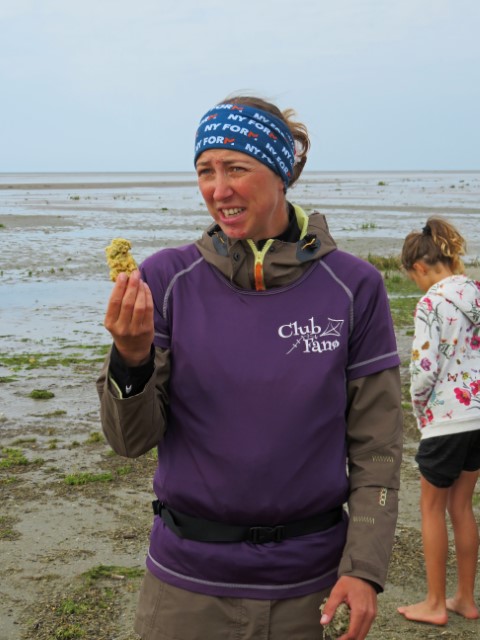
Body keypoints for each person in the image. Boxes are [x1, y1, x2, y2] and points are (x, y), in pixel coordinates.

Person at [96, 94, 403, 640]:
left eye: (237, 167)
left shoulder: (354, 287)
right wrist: (131, 357)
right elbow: (131, 442)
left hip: (310, 584)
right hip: (186, 584)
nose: (219, 189)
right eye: (205, 171)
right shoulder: (167, 278)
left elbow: (377, 449)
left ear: (282, 172)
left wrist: (364, 569)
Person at [397, 216, 480, 626]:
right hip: (478, 416)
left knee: (432, 507)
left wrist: (418, 408)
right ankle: (464, 597)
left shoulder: (431, 302)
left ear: (419, 267)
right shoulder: (477, 292)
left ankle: (433, 603)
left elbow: (423, 369)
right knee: (462, 506)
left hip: (446, 420)